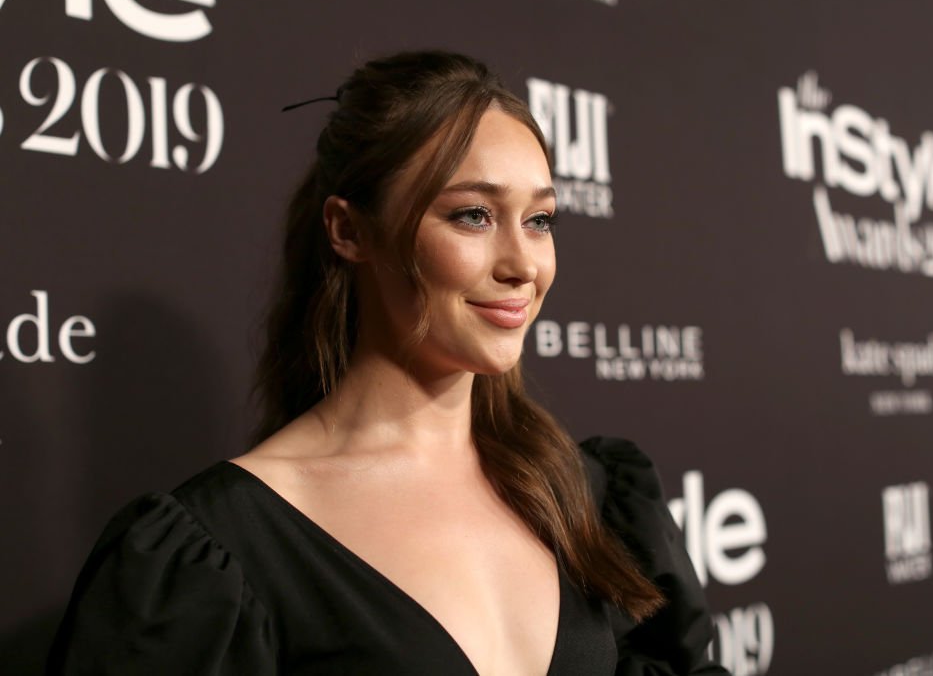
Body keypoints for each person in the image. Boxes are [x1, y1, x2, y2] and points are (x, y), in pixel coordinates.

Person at [47, 50, 729, 675]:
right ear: (349, 230)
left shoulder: (593, 496)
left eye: (540, 220)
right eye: (472, 215)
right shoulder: (217, 554)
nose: (523, 264)